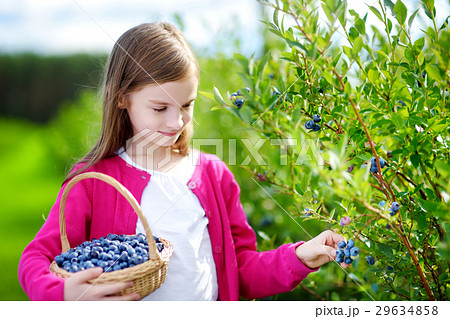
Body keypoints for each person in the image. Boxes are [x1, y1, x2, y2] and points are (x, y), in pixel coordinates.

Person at [18, 22, 348, 301]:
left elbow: (240, 269)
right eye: (160, 108)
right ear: (122, 98)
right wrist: (62, 294)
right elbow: (35, 259)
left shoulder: (213, 175)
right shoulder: (94, 181)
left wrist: (302, 255)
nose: (176, 122)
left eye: (186, 105)